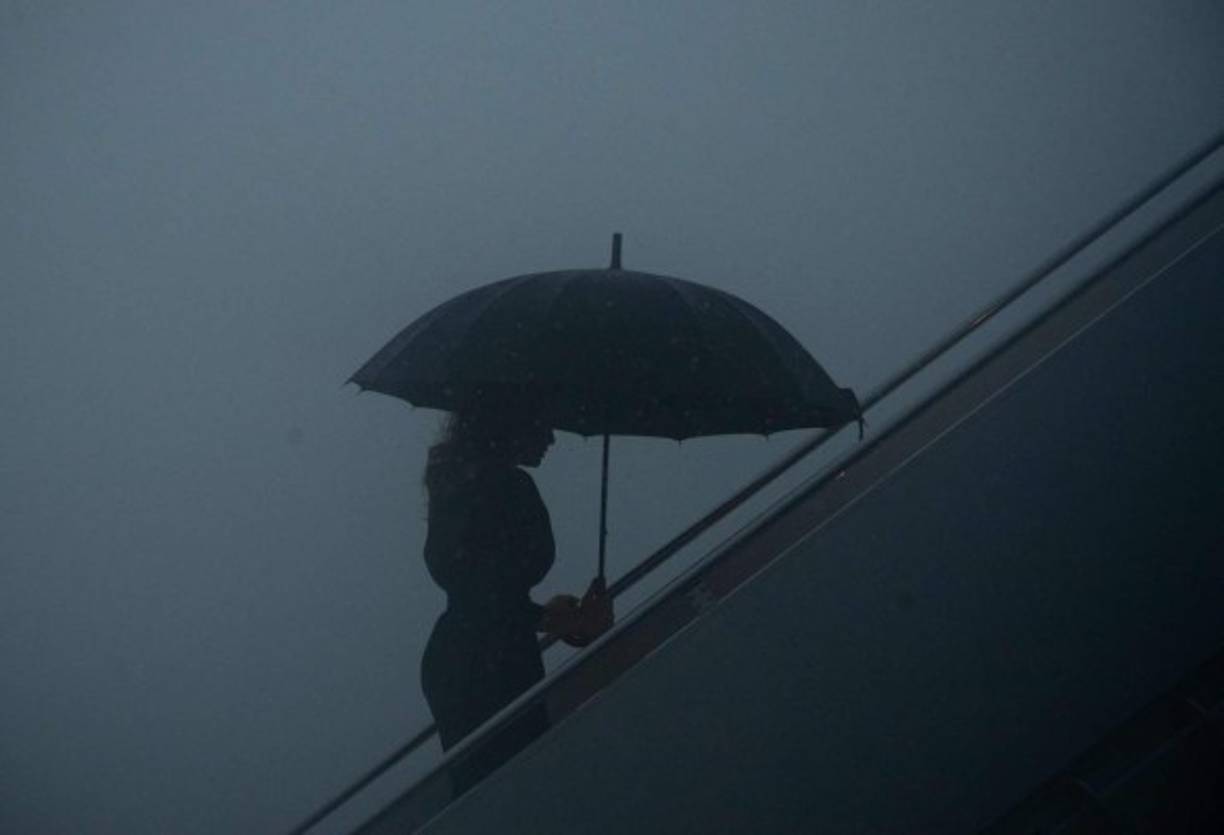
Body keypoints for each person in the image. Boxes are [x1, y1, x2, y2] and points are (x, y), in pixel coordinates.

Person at [419, 408, 612, 796]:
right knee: (517, 784)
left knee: (484, 789)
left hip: (458, 657)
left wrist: (544, 617)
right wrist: (563, 621)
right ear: (511, 423)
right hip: (494, 663)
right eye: (543, 425)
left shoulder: (456, 483)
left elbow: (483, 594)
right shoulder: (509, 486)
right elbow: (491, 597)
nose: (551, 439)